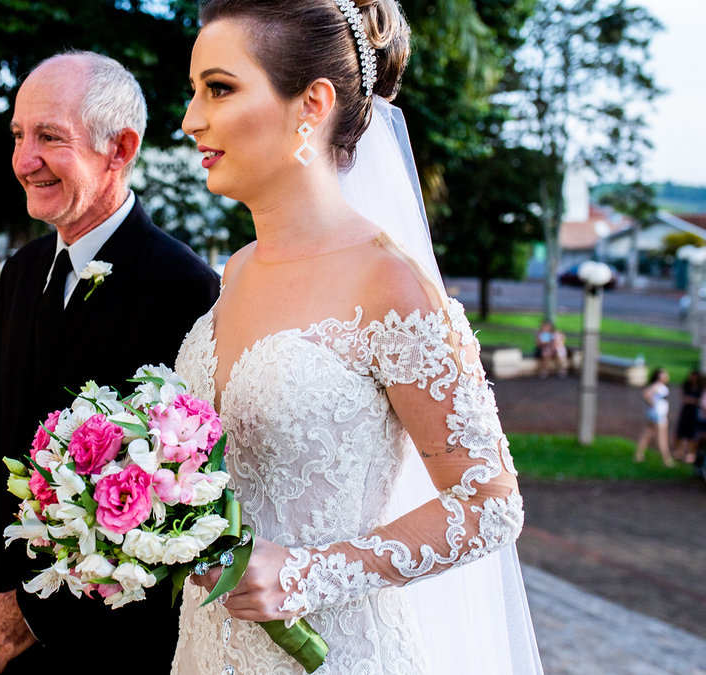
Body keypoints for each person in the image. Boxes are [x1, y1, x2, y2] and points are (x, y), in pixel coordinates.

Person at [171, 1, 541, 673]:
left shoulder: (390, 283)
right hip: (205, 649)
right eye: (194, 91)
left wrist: (308, 574)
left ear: (311, 104)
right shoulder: (238, 269)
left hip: (336, 653)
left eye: (218, 89)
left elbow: (490, 506)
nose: (191, 118)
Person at [0, 52, 220, 675]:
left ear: (119, 149)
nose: (25, 160)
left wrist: (36, 614)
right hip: (0, 629)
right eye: (18, 136)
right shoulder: (21, 273)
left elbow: (180, 503)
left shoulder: (186, 290)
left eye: (50, 137)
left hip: (108, 645)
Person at [635, 367, 674, 467]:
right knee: (662, 438)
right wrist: (652, 403)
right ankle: (666, 460)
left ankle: (638, 455)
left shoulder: (659, 385)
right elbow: (646, 394)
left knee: (647, 434)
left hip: (653, 414)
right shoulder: (657, 385)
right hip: (658, 415)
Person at [674, 370, 702, 463]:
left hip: (695, 413)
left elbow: (699, 401)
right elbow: (684, 399)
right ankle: (679, 452)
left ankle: (690, 454)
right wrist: (695, 400)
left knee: (693, 434)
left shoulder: (700, 388)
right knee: (681, 432)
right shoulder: (687, 386)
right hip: (686, 412)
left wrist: (692, 400)